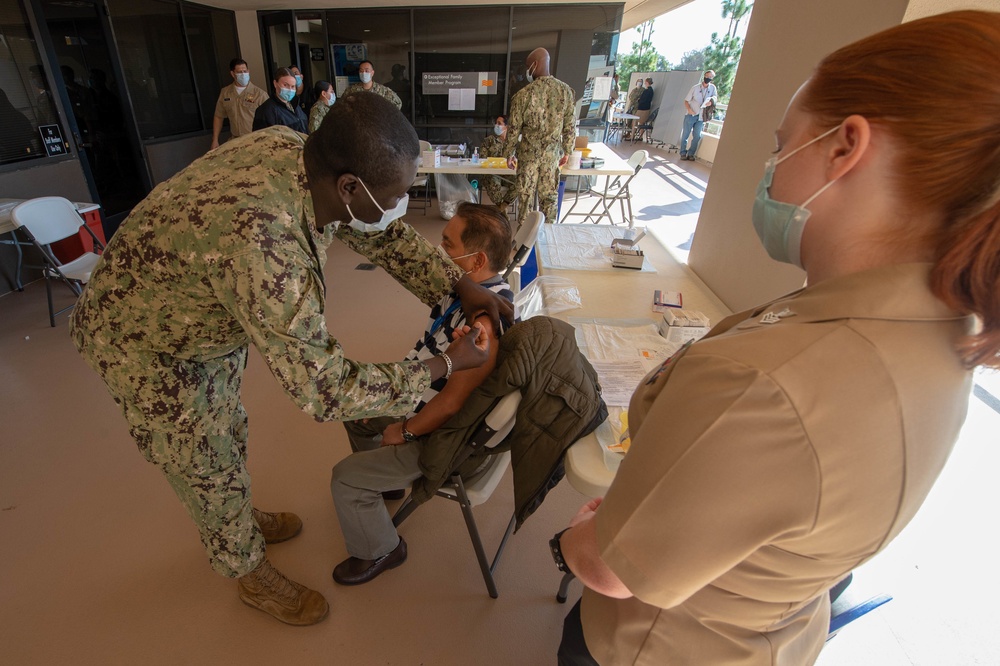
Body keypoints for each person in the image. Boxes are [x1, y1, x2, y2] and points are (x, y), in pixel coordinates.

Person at [553, 10, 1000, 665]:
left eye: (780, 142)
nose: (769, 167)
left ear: (846, 147)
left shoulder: (765, 381)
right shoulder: (937, 340)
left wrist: (580, 534)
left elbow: (613, 568)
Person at [70, 92, 513, 628]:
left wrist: (457, 282)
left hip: (200, 312)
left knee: (226, 428)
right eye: (395, 195)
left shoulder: (296, 151)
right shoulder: (265, 243)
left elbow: (382, 234)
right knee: (202, 457)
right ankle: (247, 569)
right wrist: (444, 363)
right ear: (349, 186)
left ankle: (233, 514)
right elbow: (324, 390)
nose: (401, 209)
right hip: (145, 338)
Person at [330, 203, 513, 585]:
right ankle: (385, 482)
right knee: (353, 407)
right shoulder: (469, 292)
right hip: (422, 400)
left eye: (447, 243)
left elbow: (452, 404)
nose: (437, 248)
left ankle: (382, 549)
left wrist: (405, 430)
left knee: (344, 477)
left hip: (440, 434)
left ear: (476, 259)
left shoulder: (483, 327)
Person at [503, 48, 575, 227]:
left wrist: (509, 153)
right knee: (549, 201)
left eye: (528, 67)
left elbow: (513, 130)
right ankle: (548, 242)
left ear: (535, 65)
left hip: (528, 157)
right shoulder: (565, 92)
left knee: (525, 202)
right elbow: (570, 127)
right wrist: (567, 151)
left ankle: (523, 244)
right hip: (552, 157)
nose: (527, 71)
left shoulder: (522, 96)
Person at [211, 58, 266, 150]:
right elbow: (218, 116)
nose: (243, 74)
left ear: (248, 71)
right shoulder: (225, 93)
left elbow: (270, 119)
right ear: (233, 74)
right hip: (235, 141)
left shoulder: (259, 94)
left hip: (255, 141)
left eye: (245, 71)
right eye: (239, 72)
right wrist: (215, 139)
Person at [252, 67, 307, 134]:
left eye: (293, 86)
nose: (290, 89)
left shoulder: (296, 106)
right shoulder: (266, 110)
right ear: (275, 83)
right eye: (285, 85)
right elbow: (261, 139)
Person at [479, 115, 517, 210]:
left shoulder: (514, 143)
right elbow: (482, 158)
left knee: (521, 182)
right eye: (496, 123)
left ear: (507, 127)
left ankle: (503, 205)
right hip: (493, 172)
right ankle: (501, 207)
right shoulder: (489, 141)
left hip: (508, 173)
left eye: (499, 123)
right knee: (492, 180)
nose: (496, 125)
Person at [679, 69, 717, 161]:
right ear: (704, 76)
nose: (708, 78)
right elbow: (686, 100)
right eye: (707, 76)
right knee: (685, 135)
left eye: (710, 77)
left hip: (701, 116)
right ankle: (683, 153)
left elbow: (715, 98)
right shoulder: (695, 88)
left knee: (697, 136)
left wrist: (711, 102)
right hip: (691, 114)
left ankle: (691, 154)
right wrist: (689, 109)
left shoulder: (712, 88)